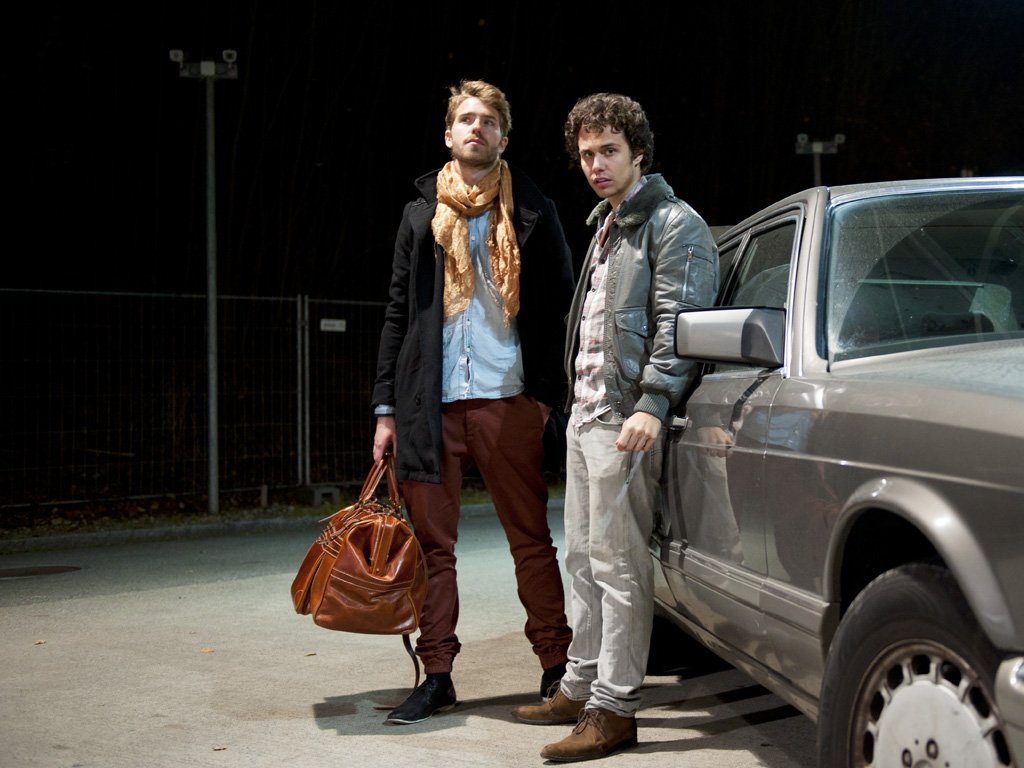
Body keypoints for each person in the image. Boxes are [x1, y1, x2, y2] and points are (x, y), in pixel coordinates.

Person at [511, 93, 720, 761]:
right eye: (586, 154)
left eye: (608, 151)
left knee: (619, 564)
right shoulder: (607, 225)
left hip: (624, 418)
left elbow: (678, 325)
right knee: (581, 558)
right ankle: (578, 686)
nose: (596, 165)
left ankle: (616, 707)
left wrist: (653, 403)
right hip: (586, 414)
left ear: (639, 153)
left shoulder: (673, 224)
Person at [370, 79, 575, 725]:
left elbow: (563, 308)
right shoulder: (419, 215)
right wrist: (385, 410)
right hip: (429, 405)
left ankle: (557, 667)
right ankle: (437, 676)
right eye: (466, 118)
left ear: (503, 138)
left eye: (488, 120)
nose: (476, 128)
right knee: (433, 549)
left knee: (531, 541)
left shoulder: (533, 209)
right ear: (448, 135)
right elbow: (398, 314)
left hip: (507, 400)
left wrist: (544, 399)